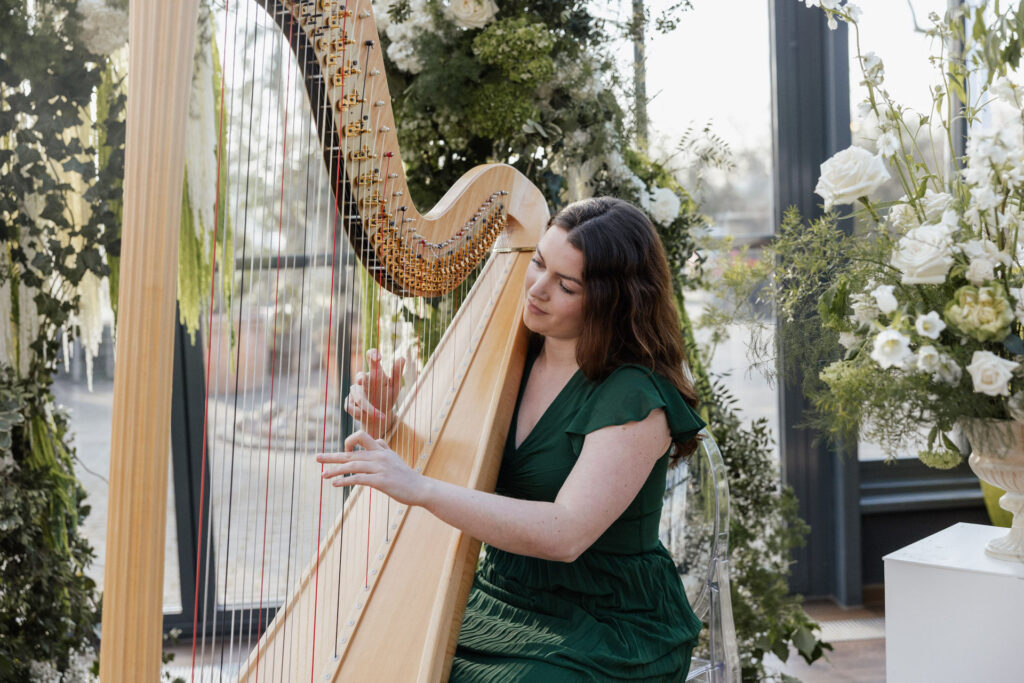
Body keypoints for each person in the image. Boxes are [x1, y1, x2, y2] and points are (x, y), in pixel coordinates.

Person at [317, 197, 706, 681]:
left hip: (608, 620)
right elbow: (456, 467)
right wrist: (388, 425)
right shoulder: (510, 360)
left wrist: (420, 488)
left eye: (565, 285)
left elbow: (565, 533)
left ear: (612, 301)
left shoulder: (634, 396)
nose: (537, 290)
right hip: (503, 595)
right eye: (538, 264)